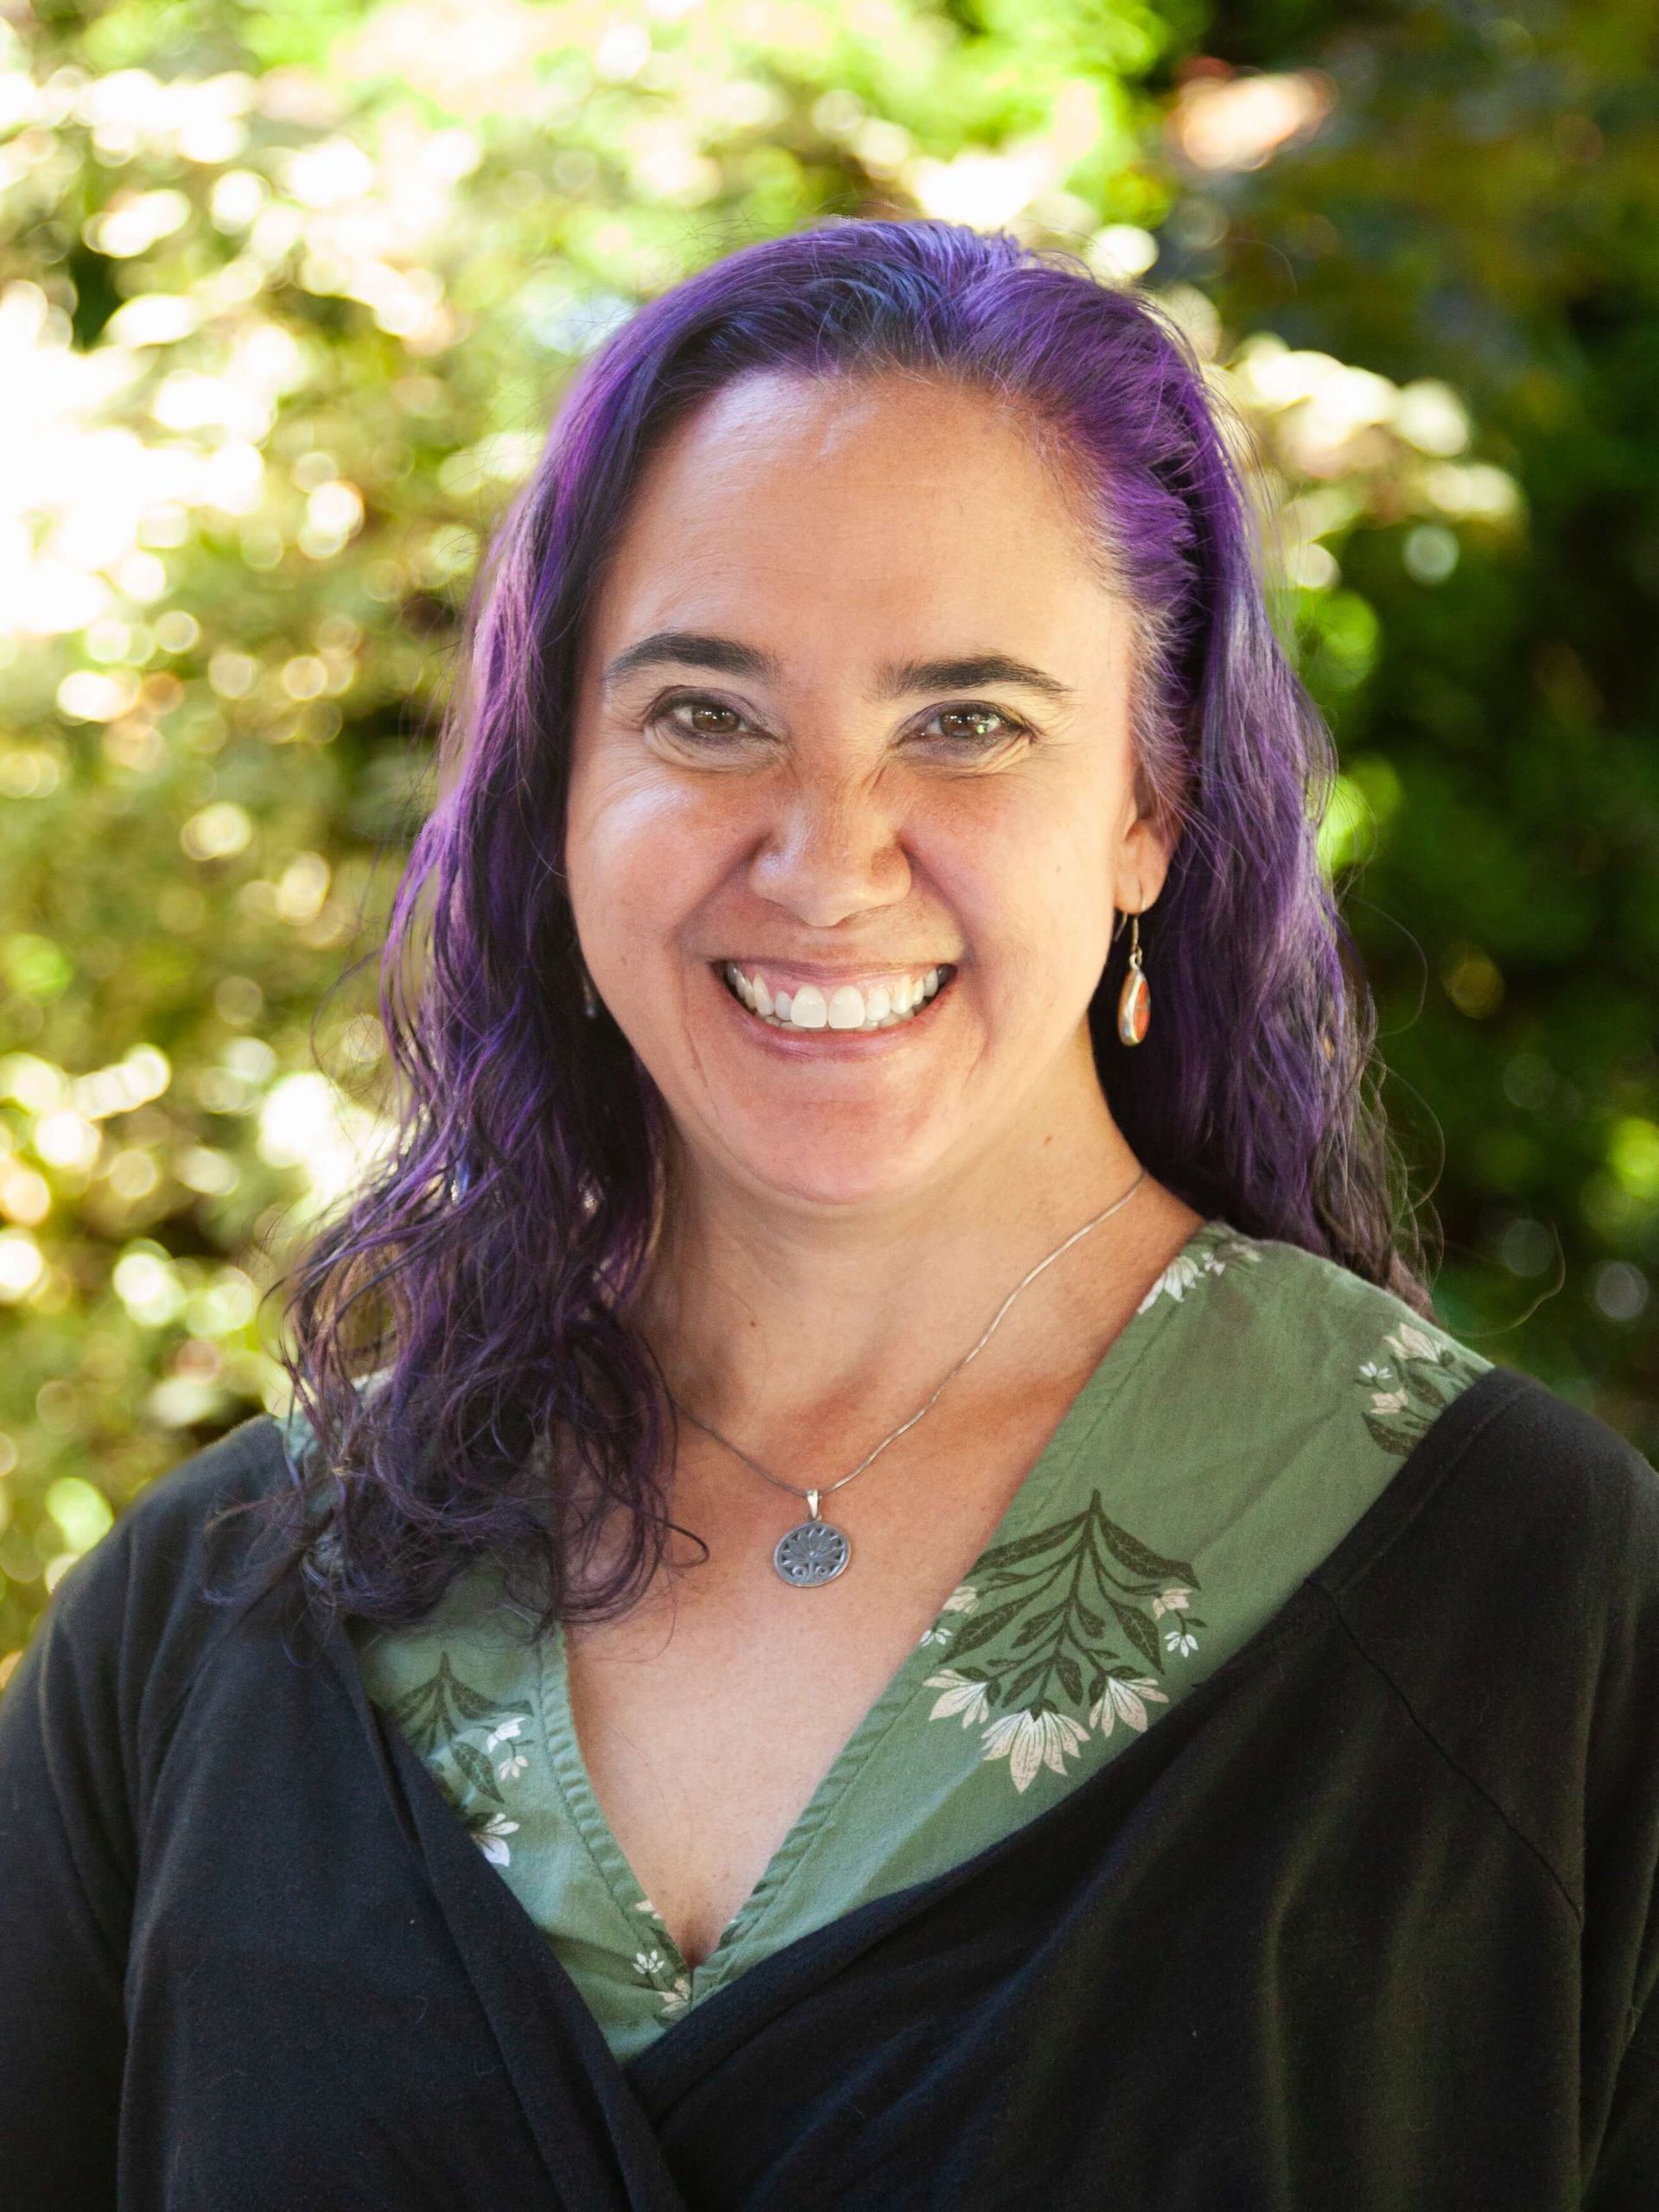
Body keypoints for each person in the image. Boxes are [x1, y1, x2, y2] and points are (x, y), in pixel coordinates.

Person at [2, 217, 1656, 2209]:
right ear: (557, 784)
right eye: (706, 713)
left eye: (967, 720)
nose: (826, 853)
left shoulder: (1542, 1619)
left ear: (1152, 802)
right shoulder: (204, 1633)